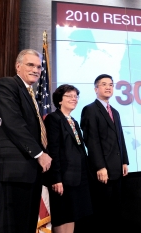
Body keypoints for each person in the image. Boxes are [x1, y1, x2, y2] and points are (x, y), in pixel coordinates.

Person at [0, 49, 52, 233]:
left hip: (30, 172)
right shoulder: (7, 85)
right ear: (18, 66)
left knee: (26, 226)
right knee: (12, 227)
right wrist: (40, 154)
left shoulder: (31, 94)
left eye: (39, 66)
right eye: (30, 65)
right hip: (13, 171)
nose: (36, 69)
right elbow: (13, 122)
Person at [80, 74, 129, 232]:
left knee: (116, 210)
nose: (108, 87)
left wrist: (124, 161)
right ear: (96, 89)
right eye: (104, 84)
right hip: (103, 171)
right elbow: (91, 141)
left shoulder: (114, 111)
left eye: (111, 84)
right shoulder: (90, 110)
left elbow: (120, 138)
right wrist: (100, 166)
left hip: (117, 169)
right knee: (103, 211)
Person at [44, 84, 92, 233]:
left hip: (78, 177)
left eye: (76, 96)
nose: (74, 99)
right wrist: (56, 178)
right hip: (63, 178)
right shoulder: (53, 118)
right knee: (62, 216)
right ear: (59, 100)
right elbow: (53, 150)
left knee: (73, 215)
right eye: (69, 96)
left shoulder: (73, 121)